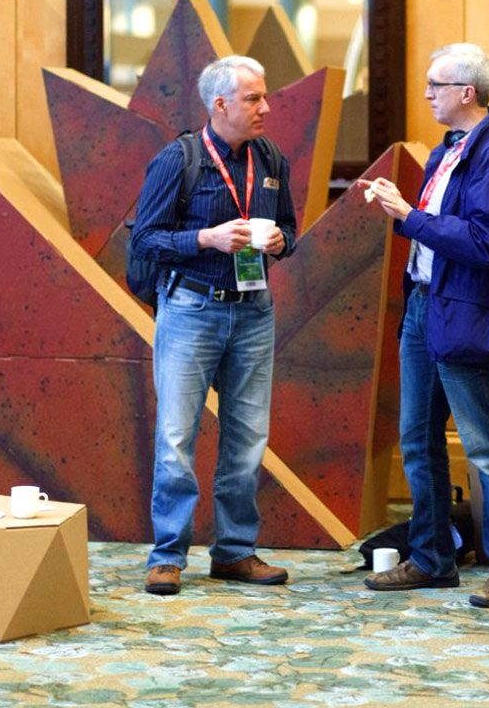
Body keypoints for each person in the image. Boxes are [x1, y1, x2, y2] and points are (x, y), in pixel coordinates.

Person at [359, 42, 489, 608]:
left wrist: (410, 217)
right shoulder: (450, 149)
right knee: (418, 441)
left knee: (485, 445)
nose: (426, 94)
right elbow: (439, 227)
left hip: (465, 313)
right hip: (425, 305)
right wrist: (403, 212)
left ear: (467, 92)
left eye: (435, 85)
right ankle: (432, 558)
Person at [132, 55, 297, 596]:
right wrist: (207, 238)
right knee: (177, 436)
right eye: (254, 99)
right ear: (220, 104)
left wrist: (281, 242)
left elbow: (290, 226)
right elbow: (144, 239)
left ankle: (235, 552)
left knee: (248, 437)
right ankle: (167, 556)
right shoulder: (177, 159)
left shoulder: (270, 157)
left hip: (254, 311)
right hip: (190, 309)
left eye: (264, 96)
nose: (266, 107)